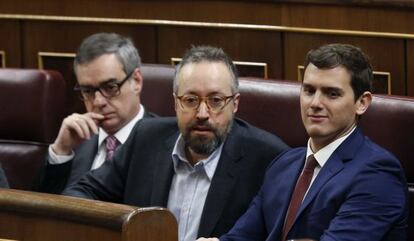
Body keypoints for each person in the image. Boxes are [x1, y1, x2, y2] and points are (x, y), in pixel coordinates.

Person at [63, 45, 289, 241]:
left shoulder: (267, 158)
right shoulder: (146, 139)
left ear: (235, 104)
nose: (202, 113)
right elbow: (80, 194)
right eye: (190, 100)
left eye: (216, 100)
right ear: (175, 102)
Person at [198, 43, 408, 241]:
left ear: (362, 103)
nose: (315, 103)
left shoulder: (378, 173)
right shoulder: (284, 164)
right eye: (309, 91)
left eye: (331, 94)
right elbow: (241, 237)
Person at [38, 32, 156, 194]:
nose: (98, 102)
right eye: (88, 91)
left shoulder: (164, 145)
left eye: (110, 87)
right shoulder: (76, 143)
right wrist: (61, 151)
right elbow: (41, 212)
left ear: (136, 81)